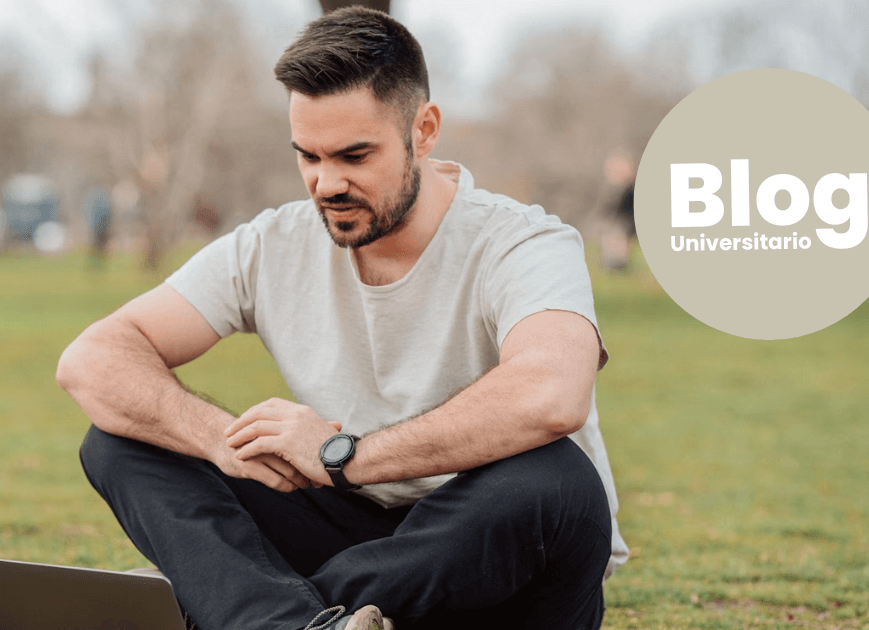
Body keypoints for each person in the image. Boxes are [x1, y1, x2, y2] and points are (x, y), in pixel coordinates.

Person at [57, 7, 627, 629]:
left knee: (557, 480)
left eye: (355, 155)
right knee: (123, 435)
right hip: (347, 542)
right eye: (309, 156)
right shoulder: (272, 244)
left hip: (493, 563)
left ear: (424, 130)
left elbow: (552, 393)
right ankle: (292, 620)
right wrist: (218, 441)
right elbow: (92, 359)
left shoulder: (524, 243)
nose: (326, 183)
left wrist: (339, 456)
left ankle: (242, 608)